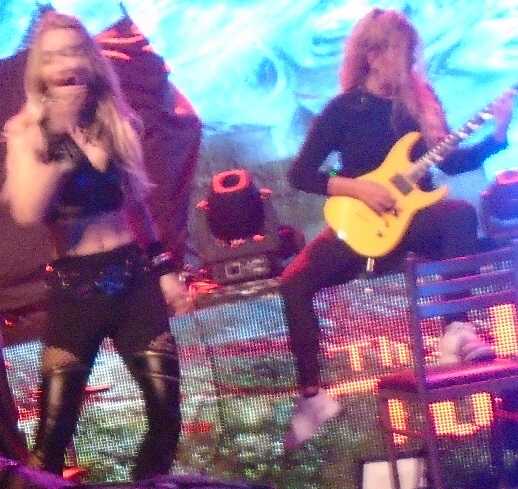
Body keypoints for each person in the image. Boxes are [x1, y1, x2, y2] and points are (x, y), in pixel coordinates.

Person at [281, 8, 515, 451]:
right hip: (361, 224)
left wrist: (497, 135)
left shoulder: (420, 104)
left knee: (459, 215)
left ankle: (455, 329)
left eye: (411, 55)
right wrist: (357, 188)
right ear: (372, 56)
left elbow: (451, 162)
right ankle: (311, 396)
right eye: (399, 54)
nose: (408, 64)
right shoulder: (343, 110)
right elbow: (300, 175)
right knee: (293, 282)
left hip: (412, 221)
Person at [1, 11, 192, 483]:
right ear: (39, 69)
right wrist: (61, 136)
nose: (66, 64)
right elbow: (27, 209)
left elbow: (137, 203)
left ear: (89, 59)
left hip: (133, 279)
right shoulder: (27, 132)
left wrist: (164, 269)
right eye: (53, 57)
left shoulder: (112, 118)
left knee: (166, 413)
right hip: (77, 290)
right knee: (54, 433)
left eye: (73, 52)